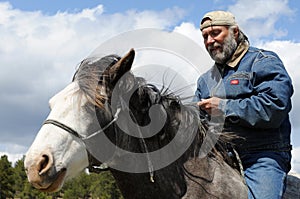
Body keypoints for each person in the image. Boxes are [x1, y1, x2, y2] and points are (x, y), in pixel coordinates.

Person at [194, 10, 293, 199]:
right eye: (205, 36)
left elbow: (275, 107)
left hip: (262, 156)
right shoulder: (204, 80)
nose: (209, 41)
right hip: (219, 157)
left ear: (235, 32)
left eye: (215, 33)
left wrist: (223, 107)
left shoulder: (263, 61)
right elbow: (197, 123)